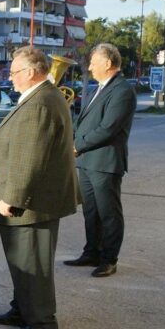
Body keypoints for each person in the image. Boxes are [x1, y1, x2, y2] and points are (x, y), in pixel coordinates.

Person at [0, 46, 78, 329]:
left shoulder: (39, 103)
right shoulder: (41, 97)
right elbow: (30, 141)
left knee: (32, 262)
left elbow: (31, 158)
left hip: (30, 203)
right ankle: (22, 308)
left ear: (31, 72)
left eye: (14, 72)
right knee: (22, 261)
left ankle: (41, 322)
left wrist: (13, 197)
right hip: (35, 201)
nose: (10, 78)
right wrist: (1, 134)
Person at [65, 43, 137, 278]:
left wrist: (78, 144)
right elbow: (85, 120)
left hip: (105, 163)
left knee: (109, 213)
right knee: (91, 211)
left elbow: (109, 128)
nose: (90, 67)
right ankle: (91, 252)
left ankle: (109, 259)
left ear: (108, 63)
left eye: (94, 62)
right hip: (87, 161)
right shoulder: (101, 87)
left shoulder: (122, 90)